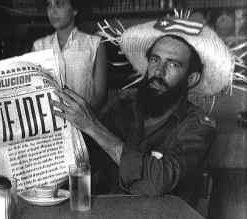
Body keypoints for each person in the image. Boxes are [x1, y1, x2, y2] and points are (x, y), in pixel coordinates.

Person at [50, 17, 234, 203]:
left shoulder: (198, 126)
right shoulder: (123, 103)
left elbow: (157, 182)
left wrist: (93, 127)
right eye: (155, 59)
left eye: (173, 64)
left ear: (191, 79)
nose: (158, 72)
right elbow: (87, 160)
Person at [32, 0, 107, 110]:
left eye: (59, 4)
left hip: (84, 123)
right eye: (49, 5)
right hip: (50, 123)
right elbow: (33, 92)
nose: (52, 11)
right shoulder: (38, 46)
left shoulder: (94, 45)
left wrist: (80, 120)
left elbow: (99, 96)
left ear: (74, 9)